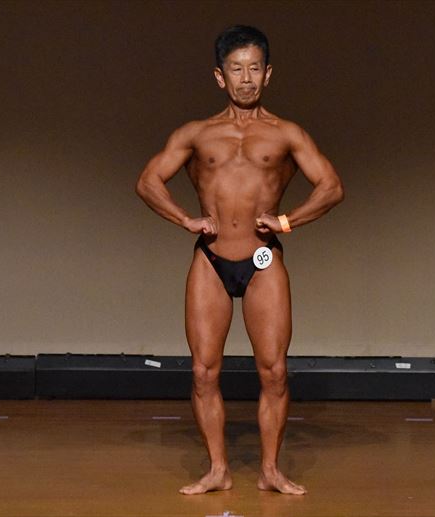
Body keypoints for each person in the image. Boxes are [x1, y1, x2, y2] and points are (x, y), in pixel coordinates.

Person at [135, 25, 344, 495]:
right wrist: (184, 219)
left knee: (274, 371)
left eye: (254, 69)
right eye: (236, 69)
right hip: (210, 260)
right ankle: (217, 470)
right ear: (219, 76)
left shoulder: (287, 133)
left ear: (268, 74)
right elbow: (148, 181)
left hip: (263, 261)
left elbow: (332, 187)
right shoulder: (196, 134)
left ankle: (270, 470)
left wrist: (287, 221)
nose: (245, 79)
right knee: (202, 371)